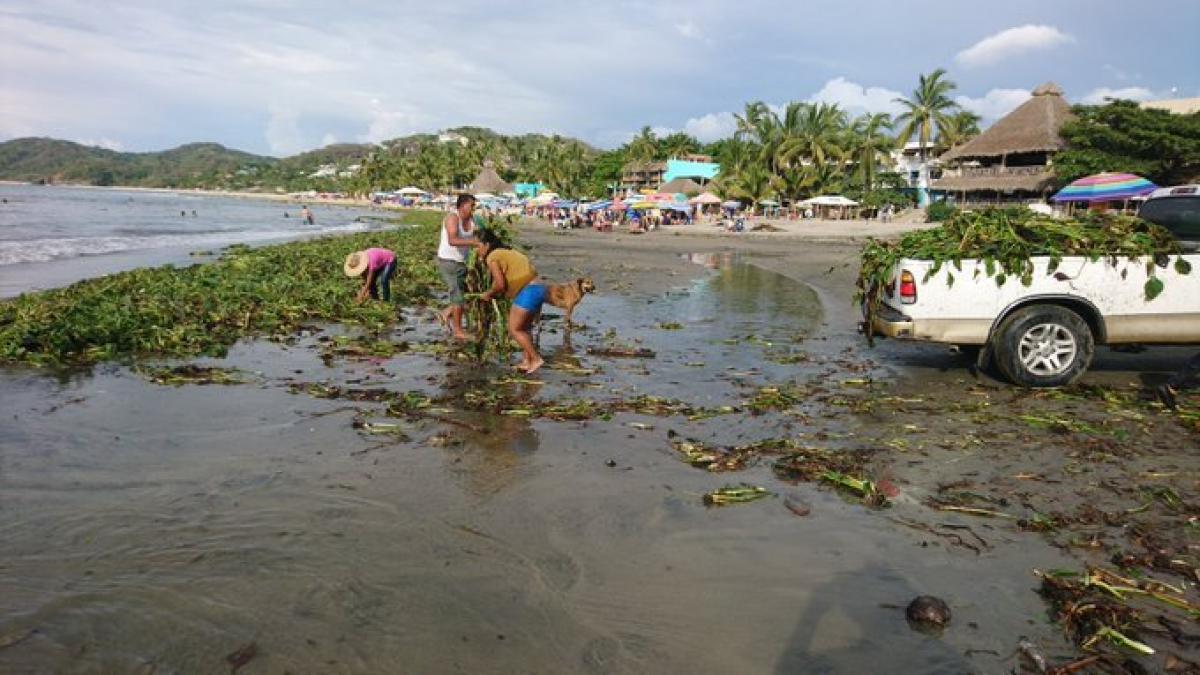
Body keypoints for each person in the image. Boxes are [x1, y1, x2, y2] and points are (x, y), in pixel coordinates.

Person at [475, 229, 546, 373]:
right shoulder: (506, 251)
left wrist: (488, 294)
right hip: (539, 288)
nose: (476, 250)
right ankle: (527, 361)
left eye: (477, 246)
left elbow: (500, 284)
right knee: (525, 328)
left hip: (528, 291)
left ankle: (536, 358)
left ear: (486, 245)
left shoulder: (492, 257)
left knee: (514, 329)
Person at [436, 194, 478, 339]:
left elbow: (480, 235)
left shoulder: (473, 220)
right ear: (462, 206)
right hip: (448, 262)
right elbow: (452, 240)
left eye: (474, 206)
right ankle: (458, 331)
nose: (473, 208)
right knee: (458, 296)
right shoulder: (452, 218)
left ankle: (446, 313)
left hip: (462, 262)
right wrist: (474, 242)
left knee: (466, 295)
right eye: (471, 205)